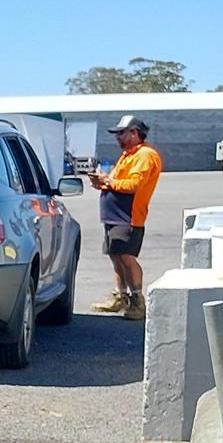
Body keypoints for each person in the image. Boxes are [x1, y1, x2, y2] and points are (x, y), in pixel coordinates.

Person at [88, 115, 162, 321]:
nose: (117, 137)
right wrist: (102, 182)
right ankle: (120, 296)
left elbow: (134, 185)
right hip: (114, 216)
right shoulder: (128, 155)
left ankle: (137, 301)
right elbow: (117, 181)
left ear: (135, 133)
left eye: (121, 133)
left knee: (127, 257)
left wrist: (108, 181)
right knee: (116, 255)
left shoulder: (145, 155)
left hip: (128, 216)